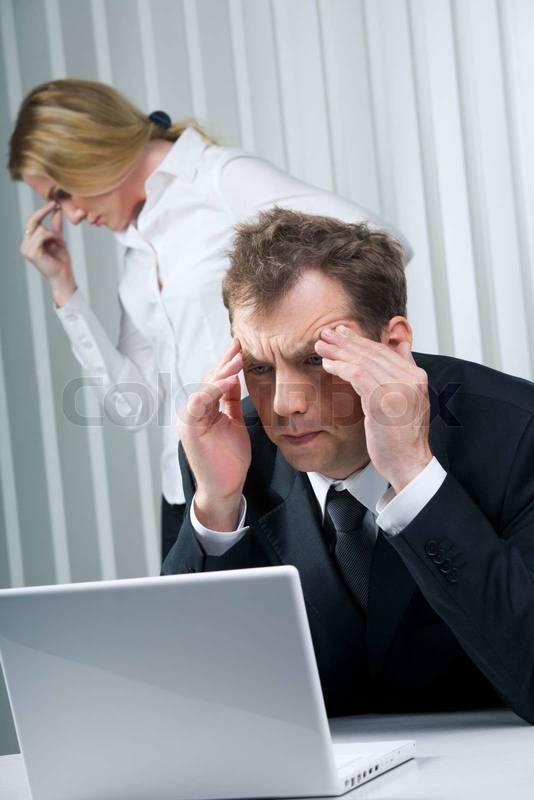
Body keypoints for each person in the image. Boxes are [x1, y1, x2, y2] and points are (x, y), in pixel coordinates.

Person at [8, 79, 412, 563]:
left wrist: (297, 350)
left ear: (88, 150)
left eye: (63, 193)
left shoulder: (219, 178)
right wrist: (64, 289)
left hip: (267, 473)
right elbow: (132, 405)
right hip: (186, 491)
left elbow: (383, 245)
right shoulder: (137, 255)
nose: (71, 216)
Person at [162, 207, 534, 724]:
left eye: (317, 359)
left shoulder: (519, 434)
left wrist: (415, 476)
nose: (285, 403)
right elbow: (189, 697)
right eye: (260, 368)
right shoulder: (226, 447)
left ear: (393, 344)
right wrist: (217, 508)